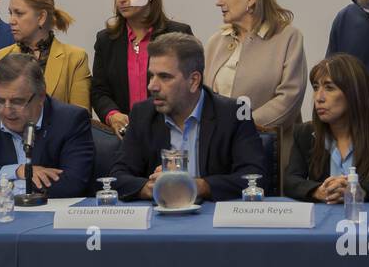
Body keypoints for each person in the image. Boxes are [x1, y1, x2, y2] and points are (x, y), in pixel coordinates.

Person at [112, 32, 265, 202]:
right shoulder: (142, 113)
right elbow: (118, 176)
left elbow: (254, 177)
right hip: (160, 220)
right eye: (151, 75)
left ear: (193, 81)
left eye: (164, 77)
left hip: (212, 220)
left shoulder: (234, 114)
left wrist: (199, 186)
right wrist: (149, 188)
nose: (152, 86)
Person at [203, 0, 306, 181]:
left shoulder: (288, 37)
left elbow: (289, 99)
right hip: (221, 154)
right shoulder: (215, 42)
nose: (218, 1)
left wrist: (242, 127)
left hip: (270, 151)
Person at [0, 54, 94, 198]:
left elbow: (73, 183)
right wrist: (17, 171)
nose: (7, 110)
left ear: (41, 96)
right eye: (0, 101)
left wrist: (7, 191)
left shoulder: (70, 120)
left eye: (17, 101)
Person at [285, 53, 369, 202]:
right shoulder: (304, 133)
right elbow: (290, 181)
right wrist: (317, 191)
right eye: (316, 88)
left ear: (354, 93)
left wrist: (358, 191)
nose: (319, 97)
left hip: (366, 218)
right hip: (323, 218)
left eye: (329, 88)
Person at [92, 0, 192, 136]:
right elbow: (99, 91)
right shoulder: (106, 40)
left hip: (172, 135)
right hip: (124, 139)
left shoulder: (178, 34)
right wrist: (112, 115)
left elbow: (190, 88)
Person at [0, 0, 91, 113]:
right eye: (11, 13)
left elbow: (81, 118)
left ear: (41, 17)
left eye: (19, 13)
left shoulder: (75, 58)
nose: (11, 20)